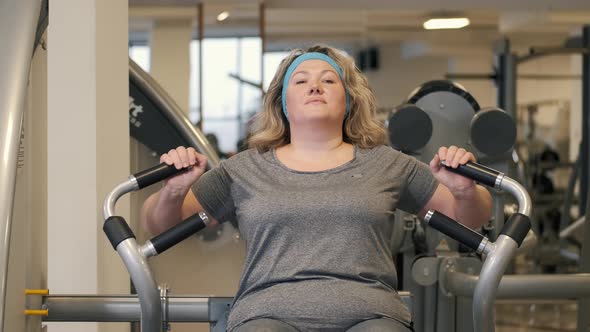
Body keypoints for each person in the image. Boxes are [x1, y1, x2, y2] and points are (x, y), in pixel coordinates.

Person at [141, 44, 492, 332]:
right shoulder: (245, 168)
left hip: (371, 316)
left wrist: (464, 191)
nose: (315, 86)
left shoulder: (385, 163)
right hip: (266, 314)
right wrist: (173, 192)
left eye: (328, 80)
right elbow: (161, 226)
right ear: (282, 103)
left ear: (349, 101)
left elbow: (469, 219)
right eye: (301, 81)